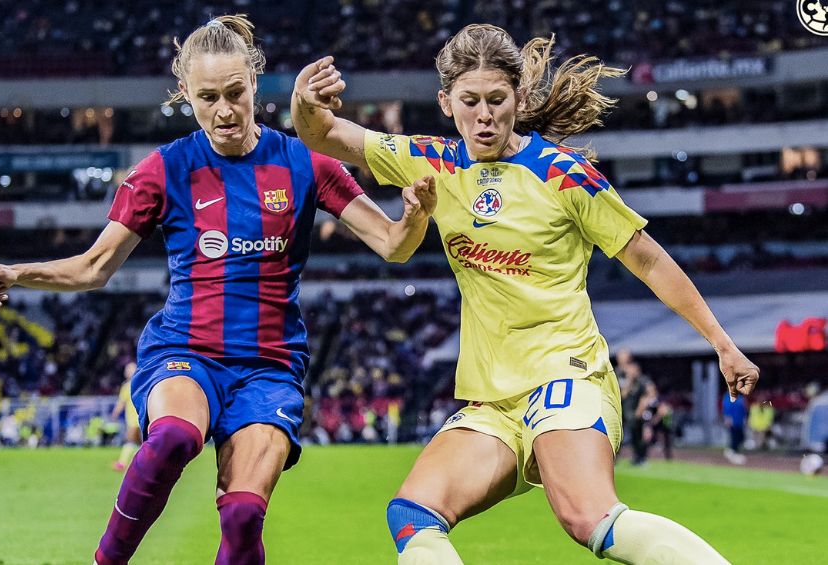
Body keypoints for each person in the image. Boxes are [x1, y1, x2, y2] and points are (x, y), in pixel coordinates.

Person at [0, 15, 435, 565]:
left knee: (242, 515)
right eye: (206, 97)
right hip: (185, 351)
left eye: (235, 93)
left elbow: (392, 245)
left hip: (268, 367)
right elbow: (95, 268)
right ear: (185, 96)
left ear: (255, 86)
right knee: (172, 438)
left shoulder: (306, 165)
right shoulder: (164, 170)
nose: (223, 111)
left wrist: (415, 216)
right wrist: (18, 272)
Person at [292, 24, 759, 565]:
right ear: (446, 102)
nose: (484, 115)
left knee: (588, 516)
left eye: (497, 99)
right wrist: (305, 101)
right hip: (493, 400)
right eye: (470, 101)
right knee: (414, 513)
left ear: (519, 98)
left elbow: (649, 259)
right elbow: (322, 134)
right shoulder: (432, 161)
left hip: (566, 374)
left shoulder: (564, 175)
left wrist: (721, 342)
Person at [111, 361, 141, 471]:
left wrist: (115, 413)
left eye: (129, 369)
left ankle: (122, 463)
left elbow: (121, 402)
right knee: (139, 443)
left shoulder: (128, 386)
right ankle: (141, 464)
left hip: (135, 420)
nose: (127, 372)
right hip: (139, 419)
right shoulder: (141, 383)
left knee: (130, 441)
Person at [722, 390, 748, 465]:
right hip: (732, 421)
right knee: (735, 436)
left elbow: (743, 409)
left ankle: (732, 451)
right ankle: (732, 452)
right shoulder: (728, 397)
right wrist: (727, 418)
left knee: (741, 437)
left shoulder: (740, 398)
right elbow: (726, 408)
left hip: (739, 421)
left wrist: (744, 418)